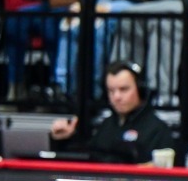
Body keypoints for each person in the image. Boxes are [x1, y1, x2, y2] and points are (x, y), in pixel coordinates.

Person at [47, 61, 176, 166]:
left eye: (123, 89)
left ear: (140, 90)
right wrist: (65, 139)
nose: (116, 97)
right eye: (111, 91)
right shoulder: (106, 125)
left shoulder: (157, 130)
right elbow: (88, 160)